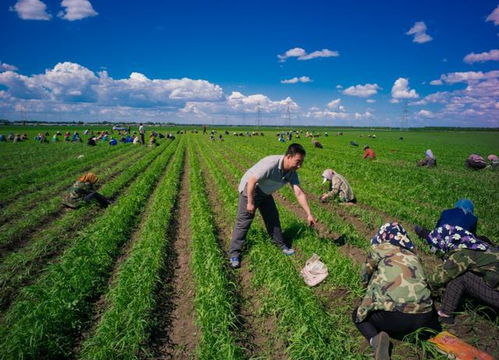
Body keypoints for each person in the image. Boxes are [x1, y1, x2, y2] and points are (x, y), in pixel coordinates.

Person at [353, 223, 440, 360]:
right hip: (426, 317)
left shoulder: (380, 249)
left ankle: (375, 341)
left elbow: (365, 275)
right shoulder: (413, 255)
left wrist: (364, 290)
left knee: (359, 316)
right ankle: (405, 332)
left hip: (398, 318)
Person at [228, 143, 317, 268]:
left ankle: (280, 244)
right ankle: (234, 254)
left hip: (265, 192)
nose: (299, 166)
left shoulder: (292, 172)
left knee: (273, 218)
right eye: (297, 162)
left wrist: (309, 214)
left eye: (301, 162)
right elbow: (251, 181)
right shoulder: (271, 164)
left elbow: (299, 193)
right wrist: (250, 202)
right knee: (244, 222)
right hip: (250, 189)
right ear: (288, 157)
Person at [425, 225, 498, 324]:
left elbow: (439, 279)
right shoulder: (480, 246)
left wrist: (422, 286)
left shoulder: (463, 254)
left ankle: (445, 315)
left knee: (461, 277)